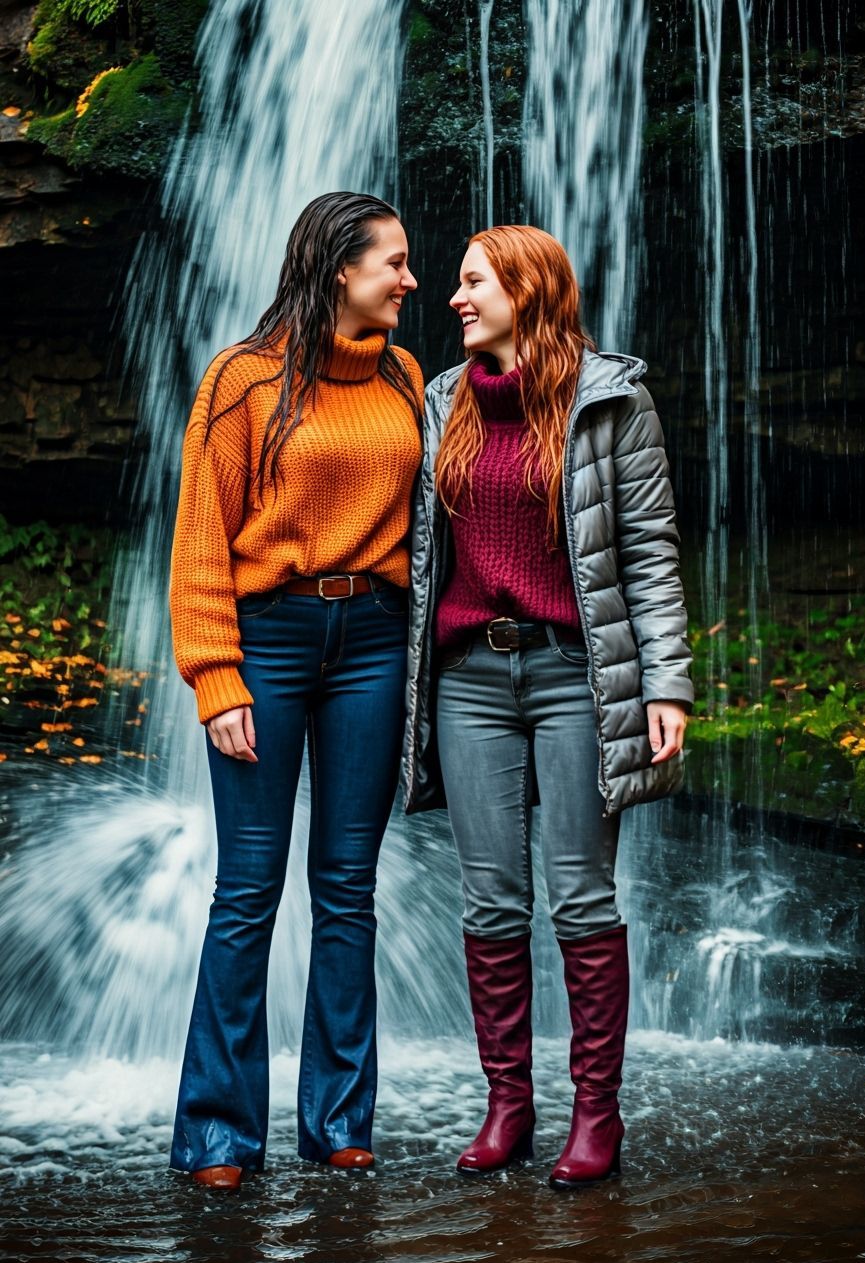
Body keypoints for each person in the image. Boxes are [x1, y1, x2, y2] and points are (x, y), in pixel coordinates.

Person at [401, 225, 693, 1190]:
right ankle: (507, 1108)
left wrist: (667, 683)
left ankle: (596, 1116)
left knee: (579, 896)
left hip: (577, 674)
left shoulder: (612, 401)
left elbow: (648, 551)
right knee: (491, 901)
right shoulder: (441, 400)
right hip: (469, 680)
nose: (453, 298)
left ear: (526, 290)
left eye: (472, 281)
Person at [168, 191, 423, 1190]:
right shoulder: (242, 379)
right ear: (336, 273)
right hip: (266, 638)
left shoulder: (404, 377)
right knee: (247, 888)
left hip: (372, 638)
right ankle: (219, 1133)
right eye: (392, 263)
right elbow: (198, 539)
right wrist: (214, 673)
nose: (411, 280)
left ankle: (336, 1119)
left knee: (347, 888)